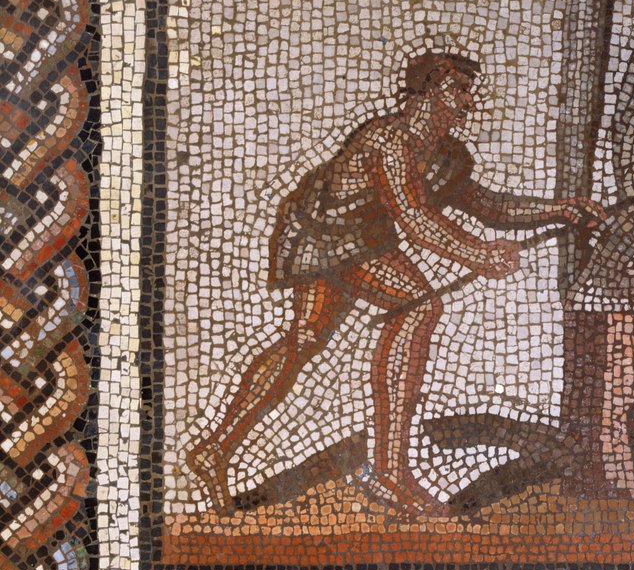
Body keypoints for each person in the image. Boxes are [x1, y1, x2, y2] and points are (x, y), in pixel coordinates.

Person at [186, 51, 606, 517]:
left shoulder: (447, 155)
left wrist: (558, 209)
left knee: (308, 338)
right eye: (458, 89)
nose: (469, 100)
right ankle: (387, 472)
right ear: (426, 92)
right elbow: (413, 217)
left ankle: (215, 450)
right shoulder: (390, 140)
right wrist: (476, 254)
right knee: (412, 307)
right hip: (322, 233)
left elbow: (490, 206)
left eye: (470, 90)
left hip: (362, 238)